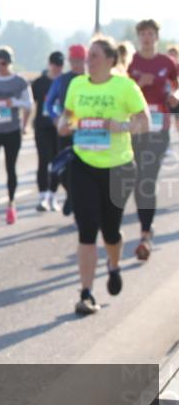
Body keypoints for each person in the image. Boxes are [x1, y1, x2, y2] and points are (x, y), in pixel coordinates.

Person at [58, 37, 149, 314]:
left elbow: (144, 121)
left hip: (118, 167)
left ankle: (114, 264)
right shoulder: (77, 84)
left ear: (110, 60)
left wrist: (119, 125)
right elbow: (68, 115)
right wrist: (65, 124)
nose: (89, 60)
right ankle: (85, 293)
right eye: (88, 55)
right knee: (87, 230)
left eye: (95, 56)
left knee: (110, 230)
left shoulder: (125, 86)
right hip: (84, 164)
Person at [127, 19, 179, 261]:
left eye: (150, 33)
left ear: (157, 37)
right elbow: (121, 89)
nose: (147, 38)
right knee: (138, 179)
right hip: (135, 127)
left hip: (159, 127)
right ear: (139, 37)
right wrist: (138, 84)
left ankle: (145, 234)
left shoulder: (167, 62)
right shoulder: (131, 62)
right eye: (143, 34)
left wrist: (175, 97)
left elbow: (177, 85)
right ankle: (145, 228)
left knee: (147, 177)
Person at [0, 47, 33, 226]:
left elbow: (29, 104)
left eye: (3, 63)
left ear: (10, 62)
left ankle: (11, 204)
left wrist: (15, 103)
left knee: (10, 167)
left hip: (11, 130)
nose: (0, 67)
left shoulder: (19, 81)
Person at [44, 44, 88, 215]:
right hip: (65, 129)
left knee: (82, 168)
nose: (77, 64)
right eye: (74, 61)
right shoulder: (61, 80)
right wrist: (56, 120)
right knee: (62, 167)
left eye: (80, 60)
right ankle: (71, 193)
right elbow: (49, 103)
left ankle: (77, 198)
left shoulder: (90, 79)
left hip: (86, 131)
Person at [31, 51, 65, 211]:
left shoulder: (66, 82)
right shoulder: (39, 83)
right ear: (49, 64)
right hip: (42, 127)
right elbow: (32, 103)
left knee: (57, 162)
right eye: (54, 64)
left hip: (59, 127)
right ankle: (42, 196)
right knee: (43, 161)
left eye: (60, 65)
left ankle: (53, 195)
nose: (57, 68)